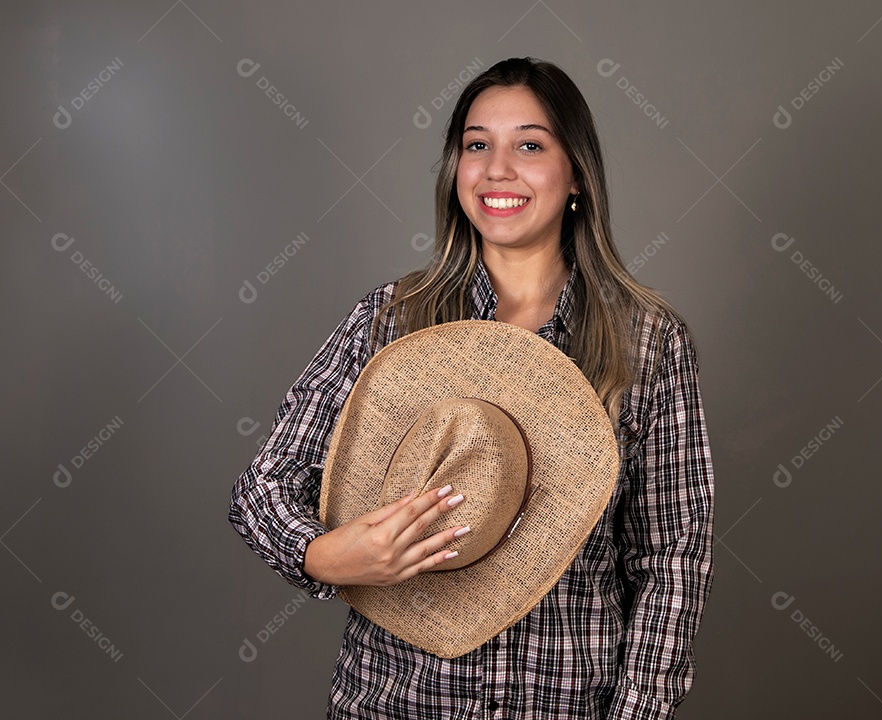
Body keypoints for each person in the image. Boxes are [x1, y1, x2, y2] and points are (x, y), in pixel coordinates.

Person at [229, 56, 715, 720]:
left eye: (531, 145)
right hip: (393, 703)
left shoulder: (648, 343)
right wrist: (321, 555)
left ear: (577, 174)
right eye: (476, 144)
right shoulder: (389, 319)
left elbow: (671, 561)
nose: (497, 169)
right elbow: (265, 484)